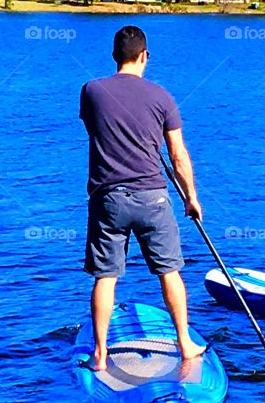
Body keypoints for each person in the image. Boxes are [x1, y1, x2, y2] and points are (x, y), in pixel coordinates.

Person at [79, 25, 205, 370]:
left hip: (108, 199)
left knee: (106, 276)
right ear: (144, 56)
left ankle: (101, 354)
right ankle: (184, 344)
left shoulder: (91, 90)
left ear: (114, 56)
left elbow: (96, 129)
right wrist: (191, 198)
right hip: (153, 197)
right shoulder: (162, 97)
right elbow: (178, 155)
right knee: (170, 272)